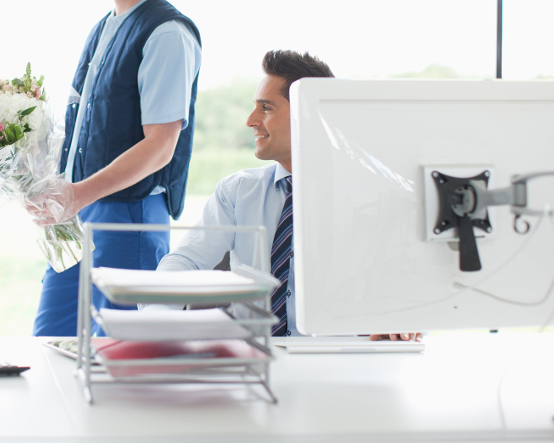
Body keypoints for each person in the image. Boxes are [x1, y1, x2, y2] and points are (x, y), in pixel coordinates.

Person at [155, 50, 421, 342]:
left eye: (265, 108)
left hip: (343, 364)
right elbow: (186, 261)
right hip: (256, 361)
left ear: (310, 114)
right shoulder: (238, 192)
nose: (250, 120)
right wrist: (155, 319)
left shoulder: (376, 197)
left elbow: (410, 288)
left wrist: (403, 319)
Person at [29, 0, 202, 336]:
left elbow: (161, 147)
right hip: (80, 212)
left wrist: (77, 194)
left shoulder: (167, 33)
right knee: (51, 340)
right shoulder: (104, 26)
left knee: (119, 357)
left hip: (130, 217)